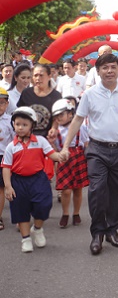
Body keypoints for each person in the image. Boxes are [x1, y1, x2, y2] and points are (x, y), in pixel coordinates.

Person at [59, 53, 118, 255]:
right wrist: (65, 146)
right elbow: (77, 120)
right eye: (105, 68)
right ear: (98, 71)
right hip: (97, 150)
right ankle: (97, 233)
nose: (109, 71)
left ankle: (112, 230)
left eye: (113, 67)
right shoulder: (90, 95)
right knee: (97, 192)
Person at [2, 107, 63, 252]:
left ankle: (37, 228)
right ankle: (26, 239)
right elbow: (6, 167)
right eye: (17, 124)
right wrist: (8, 186)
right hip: (18, 181)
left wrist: (61, 156)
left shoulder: (40, 141)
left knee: (43, 205)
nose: (20, 128)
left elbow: (52, 154)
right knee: (20, 210)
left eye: (24, 124)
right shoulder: (11, 147)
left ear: (32, 126)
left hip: (38, 179)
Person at [51, 99, 89, 228]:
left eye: (61, 115)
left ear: (70, 114)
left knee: (78, 189)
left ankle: (76, 213)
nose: (59, 118)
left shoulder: (81, 127)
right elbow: (55, 150)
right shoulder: (56, 131)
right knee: (66, 190)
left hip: (78, 158)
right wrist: (52, 143)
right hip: (64, 159)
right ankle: (65, 213)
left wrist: (89, 158)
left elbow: (86, 144)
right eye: (56, 116)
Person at [0, 88, 14, 231]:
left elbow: (15, 139)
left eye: (2, 103)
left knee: (1, 188)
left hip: (4, 157)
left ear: (7, 104)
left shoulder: (10, 120)